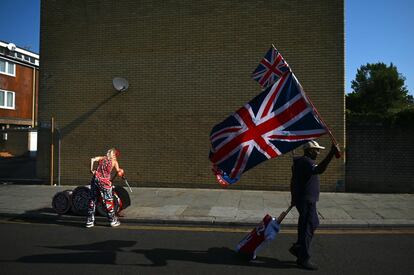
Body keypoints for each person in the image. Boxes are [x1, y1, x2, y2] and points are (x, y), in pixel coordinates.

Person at [289, 140, 339, 270]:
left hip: (302, 200)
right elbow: (319, 170)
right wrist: (331, 153)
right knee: (310, 225)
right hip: (306, 200)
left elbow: (293, 181)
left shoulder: (299, 161)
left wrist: (293, 197)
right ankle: (303, 258)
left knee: (304, 225)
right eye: (316, 150)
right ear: (310, 150)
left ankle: (298, 247)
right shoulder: (306, 162)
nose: (318, 152)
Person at [86, 148, 124, 228]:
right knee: (108, 200)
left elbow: (92, 159)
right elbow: (119, 172)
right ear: (114, 155)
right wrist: (121, 171)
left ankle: (89, 221)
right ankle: (112, 221)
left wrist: (91, 169)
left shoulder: (102, 158)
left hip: (95, 179)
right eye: (115, 155)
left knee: (92, 199)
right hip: (105, 183)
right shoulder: (114, 162)